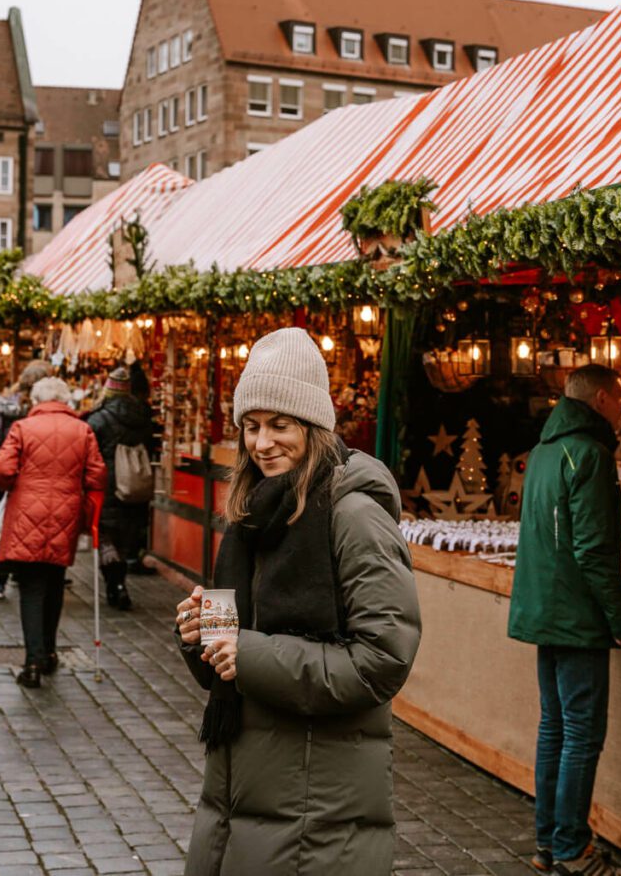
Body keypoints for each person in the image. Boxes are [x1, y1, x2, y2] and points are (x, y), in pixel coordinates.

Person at [175, 327, 421, 876]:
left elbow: (383, 659)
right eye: (252, 427)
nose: (263, 443)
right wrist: (201, 635)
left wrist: (251, 654)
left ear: (313, 425)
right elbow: (228, 655)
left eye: (280, 425)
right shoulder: (251, 513)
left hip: (315, 810)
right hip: (241, 791)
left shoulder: (354, 515)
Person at [508, 364, 621, 876]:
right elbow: (592, 548)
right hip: (577, 614)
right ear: (603, 399)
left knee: (556, 729)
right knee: (581, 734)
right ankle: (571, 849)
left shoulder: (545, 451)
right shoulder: (589, 454)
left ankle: (549, 845)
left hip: (546, 607)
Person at [0, 376, 107, 688]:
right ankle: (50, 652)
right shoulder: (82, 430)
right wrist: (88, 508)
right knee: (54, 581)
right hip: (65, 514)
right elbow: (97, 475)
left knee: (30, 586)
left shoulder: (23, 428)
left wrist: (13, 484)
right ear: (65, 400)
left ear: (37, 400)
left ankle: (32, 662)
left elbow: (1, 468)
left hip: (26, 514)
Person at [0, 360, 53, 599]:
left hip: (4, 477)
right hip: (33, 479)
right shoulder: (41, 412)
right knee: (29, 528)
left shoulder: (2, 406)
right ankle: (20, 573)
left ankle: (0, 580)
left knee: (4, 528)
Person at [86, 365, 155, 609]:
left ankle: (114, 585)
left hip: (107, 487)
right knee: (126, 539)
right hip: (135, 487)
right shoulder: (143, 416)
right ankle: (120, 583)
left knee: (107, 538)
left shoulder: (98, 419)